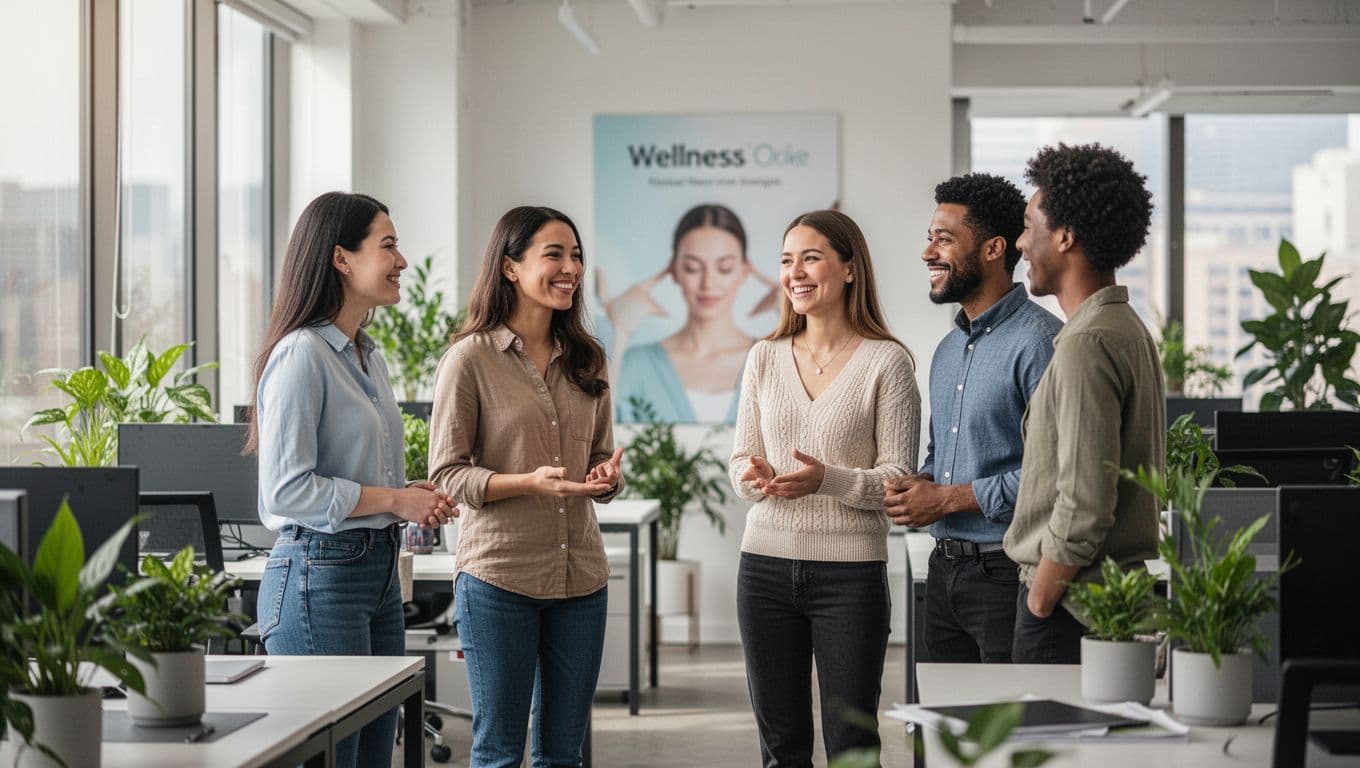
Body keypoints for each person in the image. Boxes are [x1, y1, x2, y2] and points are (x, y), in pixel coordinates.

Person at [249, 191, 456, 768]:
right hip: (319, 577)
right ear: (342, 258)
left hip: (376, 572)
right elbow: (286, 492)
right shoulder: (301, 355)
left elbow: (354, 474)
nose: (402, 261)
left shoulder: (368, 357)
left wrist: (409, 498)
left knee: (372, 757)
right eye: (387, 245)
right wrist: (395, 500)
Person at [429, 206, 625, 768]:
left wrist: (603, 479)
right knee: (497, 750)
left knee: (565, 753)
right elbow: (447, 473)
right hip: (500, 578)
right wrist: (528, 483)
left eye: (577, 255)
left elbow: (596, 459)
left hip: (581, 578)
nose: (572, 268)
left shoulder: (590, 359)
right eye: (555, 255)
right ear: (511, 267)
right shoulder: (469, 359)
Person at [730, 209, 920, 766]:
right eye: (787, 260)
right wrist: (752, 476)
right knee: (781, 747)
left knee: (852, 746)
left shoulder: (888, 362)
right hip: (762, 568)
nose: (795, 272)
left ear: (850, 268)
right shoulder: (763, 357)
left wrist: (826, 480)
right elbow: (741, 458)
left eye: (810, 257)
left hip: (851, 578)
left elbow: (898, 479)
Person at [885, 173, 1063, 664]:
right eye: (929, 238)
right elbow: (942, 456)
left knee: (1008, 732)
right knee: (941, 733)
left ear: (993, 249)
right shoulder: (947, 351)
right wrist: (921, 485)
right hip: (943, 574)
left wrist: (946, 498)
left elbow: (1054, 476)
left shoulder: (1041, 343)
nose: (928, 253)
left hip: (1009, 574)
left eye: (944, 239)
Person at [1002, 143, 1165, 664]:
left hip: (1071, 609)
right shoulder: (1125, 328)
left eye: (1029, 226)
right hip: (1105, 602)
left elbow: (1085, 502)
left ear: (1066, 236)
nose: (1022, 244)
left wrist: (1041, 596)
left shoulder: (1086, 343)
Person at [604, 203, 777, 423]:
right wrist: (619, 335)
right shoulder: (636, 364)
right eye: (692, 268)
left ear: (744, 271)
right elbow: (604, 440)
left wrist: (799, 316)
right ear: (674, 271)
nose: (708, 283)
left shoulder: (773, 360)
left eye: (724, 268)